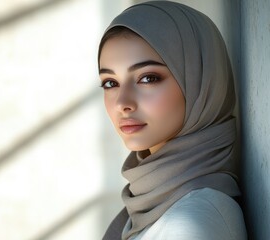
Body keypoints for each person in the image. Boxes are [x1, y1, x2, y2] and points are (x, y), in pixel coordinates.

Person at [97, 1, 247, 240]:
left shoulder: (193, 222)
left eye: (148, 78)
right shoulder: (149, 205)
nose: (122, 103)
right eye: (110, 83)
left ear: (200, 83)